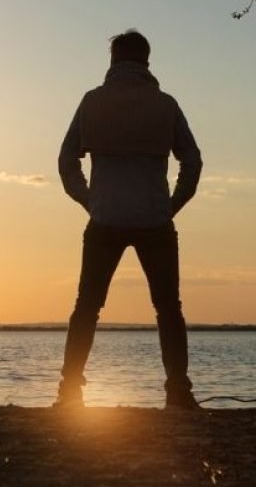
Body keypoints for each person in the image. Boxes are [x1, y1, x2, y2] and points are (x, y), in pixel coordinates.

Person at [56, 30, 202, 409]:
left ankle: (69, 391)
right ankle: (178, 391)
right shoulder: (165, 105)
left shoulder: (93, 102)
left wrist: (89, 199)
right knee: (168, 308)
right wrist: (171, 205)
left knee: (87, 305)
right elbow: (192, 161)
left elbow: (66, 161)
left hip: (105, 218)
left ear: (113, 60)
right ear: (146, 61)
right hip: (155, 220)